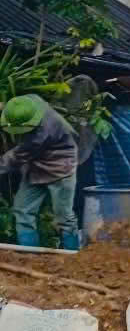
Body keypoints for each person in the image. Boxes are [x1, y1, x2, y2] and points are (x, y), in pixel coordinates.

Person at [0, 95, 79, 249]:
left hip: (60, 167)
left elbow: (15, 157)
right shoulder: (29, 101)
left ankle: (73, 257)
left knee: (64, 217)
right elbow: (15, 107)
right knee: (22, 210)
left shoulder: (43, 132)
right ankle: (30, 255)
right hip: (35, 167)